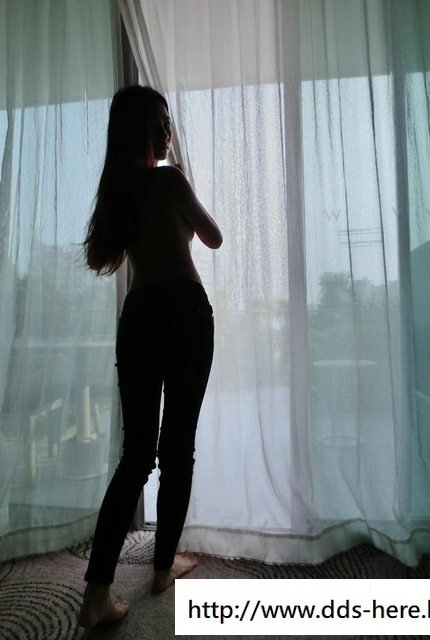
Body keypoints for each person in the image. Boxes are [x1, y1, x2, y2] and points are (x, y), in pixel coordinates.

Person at [78, 85, 222, 627]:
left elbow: (101, 257)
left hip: (139, 319)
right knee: (177, 447)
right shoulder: (170, 180)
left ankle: (96, 594)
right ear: (138, 130)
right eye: (158, 123)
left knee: (136, 456)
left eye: (168, 122)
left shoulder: (118, 193)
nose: (166, 132)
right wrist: (182, 199)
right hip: (185, 313)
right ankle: (162, 568)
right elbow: (214, 237)